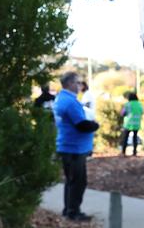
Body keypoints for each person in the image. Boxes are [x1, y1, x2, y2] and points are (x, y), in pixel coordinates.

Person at [53, 72, 99, 221]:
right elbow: (81, 125)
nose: (80, 86)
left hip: (69, 146)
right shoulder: (70, 102)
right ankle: (73, 212)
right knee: (78, 182)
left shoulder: (62, 98)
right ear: (69, 84)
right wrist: (95, 125)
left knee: (71, 180)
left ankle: (69, 210)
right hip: (74, 148)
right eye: (77, 83)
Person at [120, 92, 144, 157]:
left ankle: (123, 152)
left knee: (125, 138)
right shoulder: (139, 104)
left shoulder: (128, 104)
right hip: (137, 123)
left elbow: (122, 113)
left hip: (128, 124)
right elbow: (142, 112)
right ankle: (134, 152)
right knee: (135, 138)